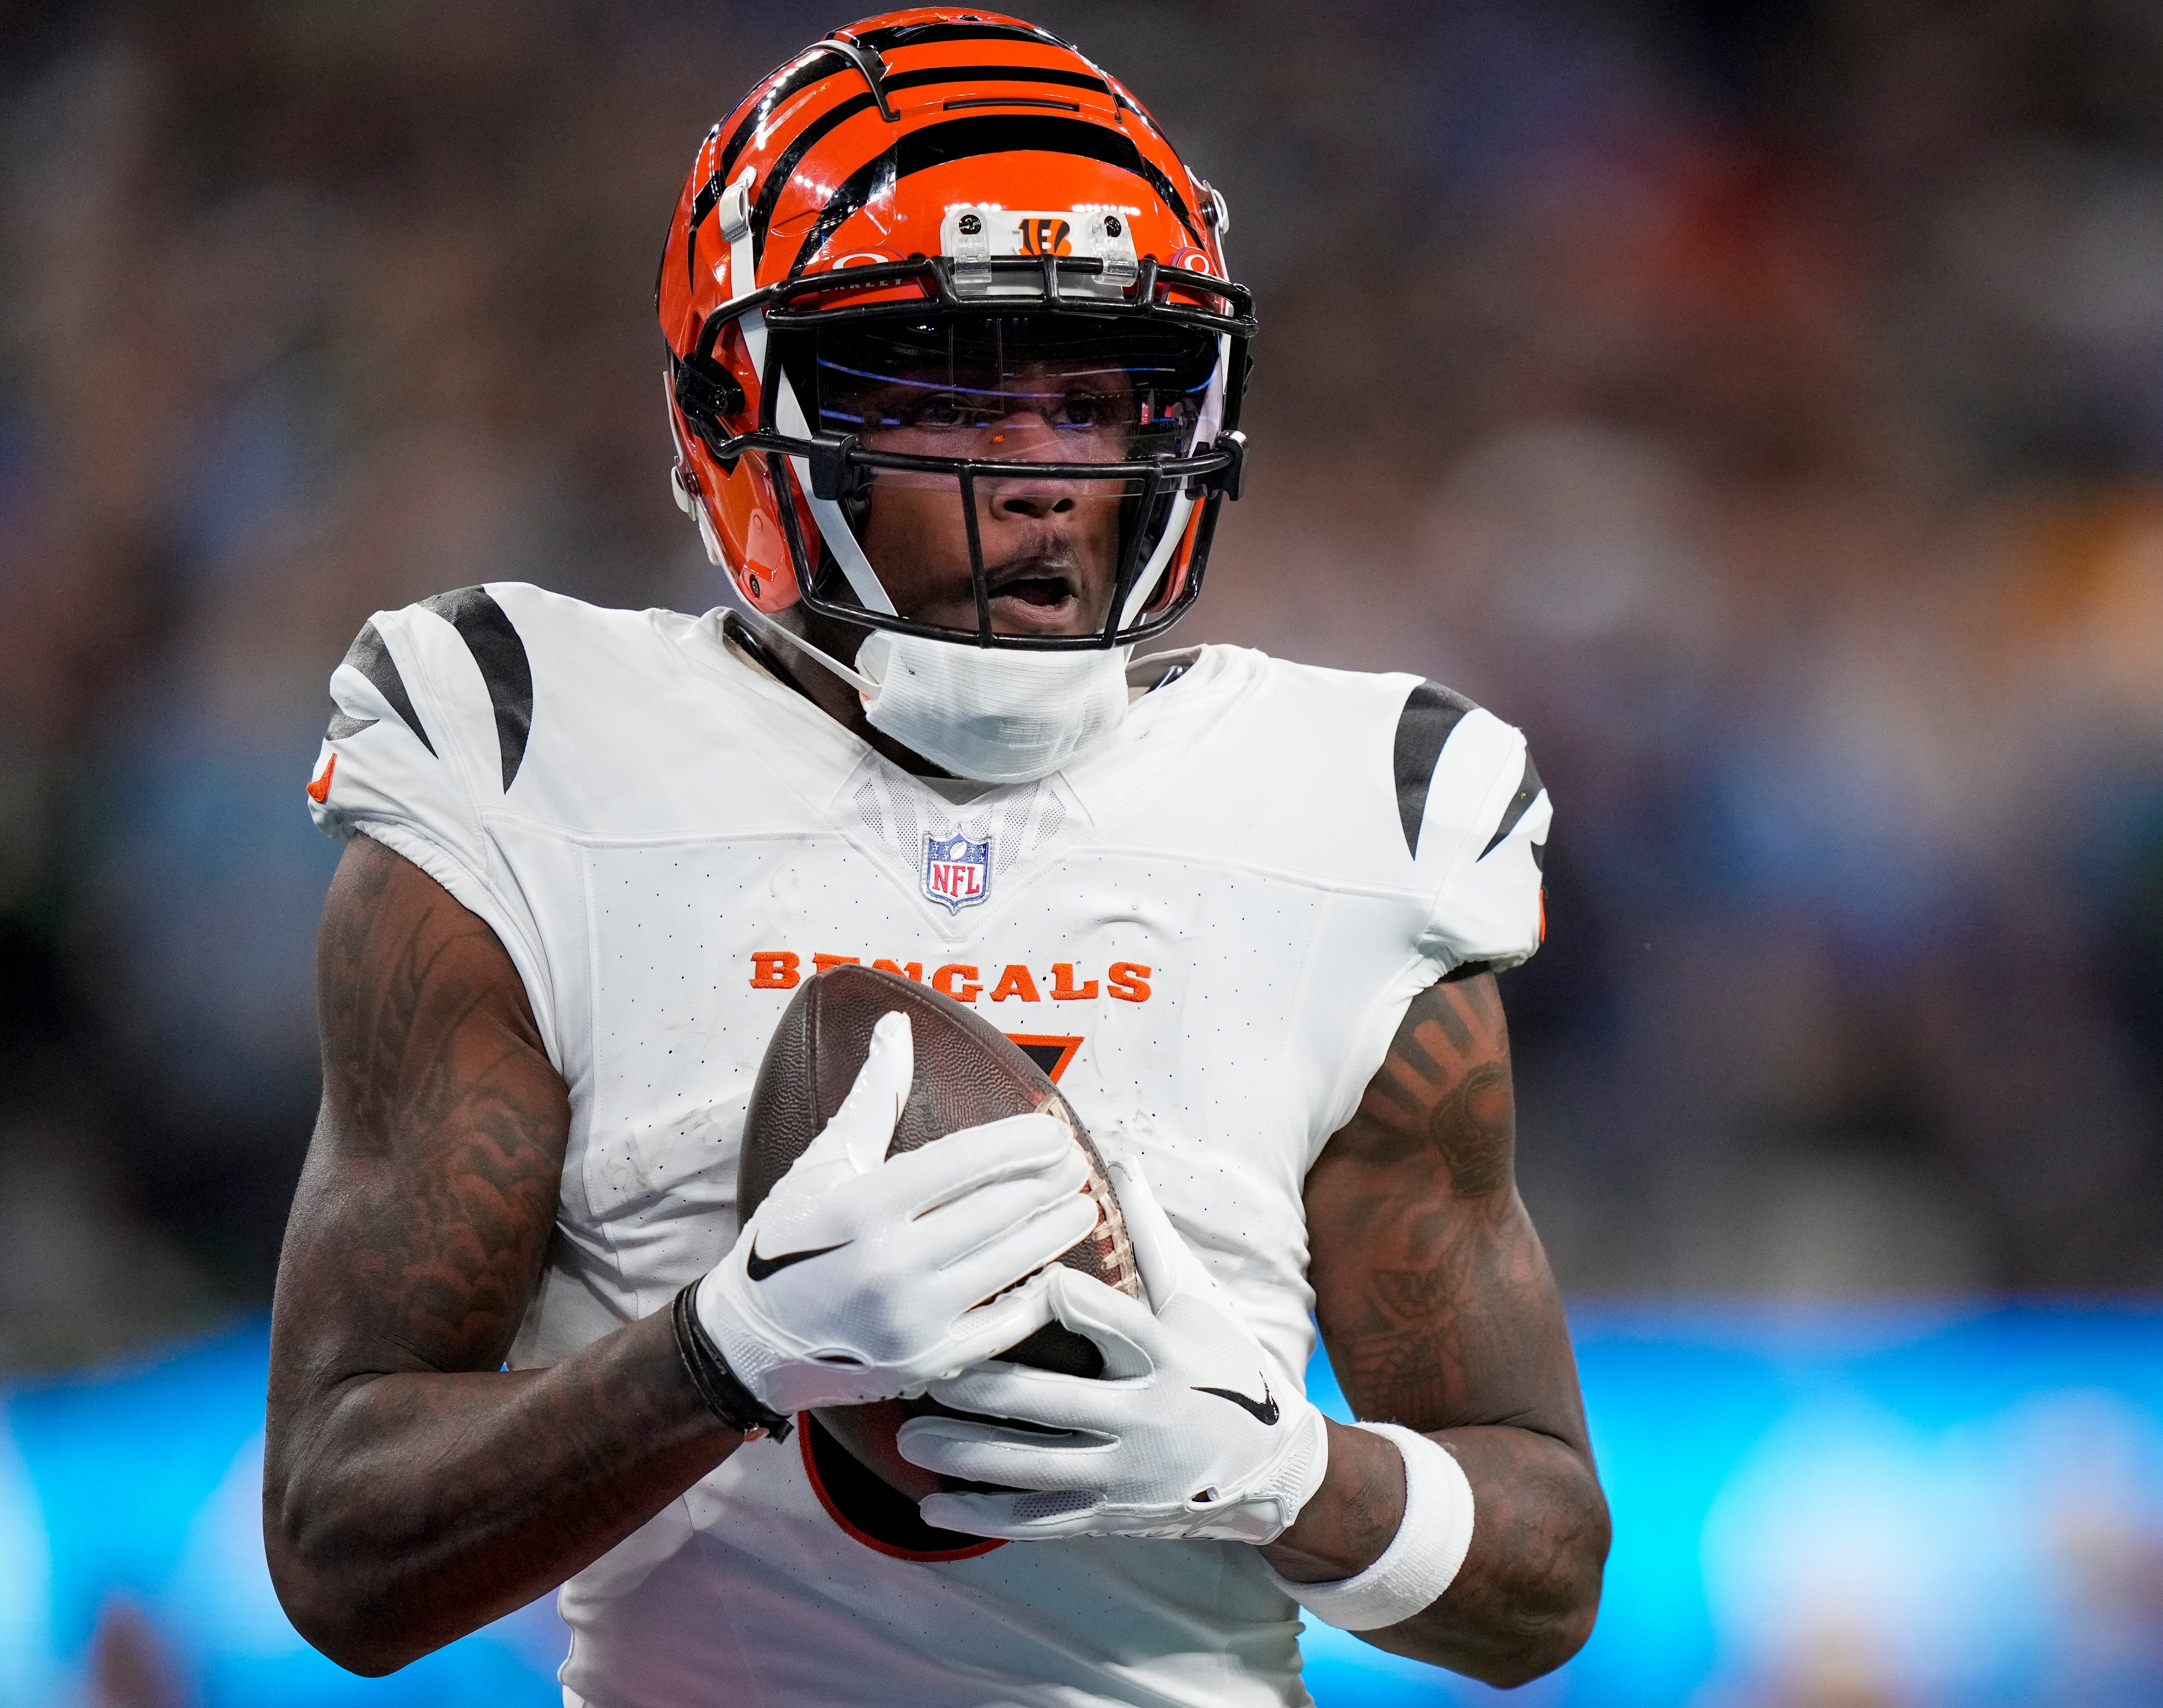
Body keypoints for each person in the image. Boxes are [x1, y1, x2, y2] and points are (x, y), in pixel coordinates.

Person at [260, 10, 1609, 1704]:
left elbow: (1544, 1580)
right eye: (943, 388)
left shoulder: (1361, 807)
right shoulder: (529, 755)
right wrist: (726, 1355)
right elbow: (338, 1551)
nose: (1040, 473)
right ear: (733, 412)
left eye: (1092, 397)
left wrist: (1287, 1472)